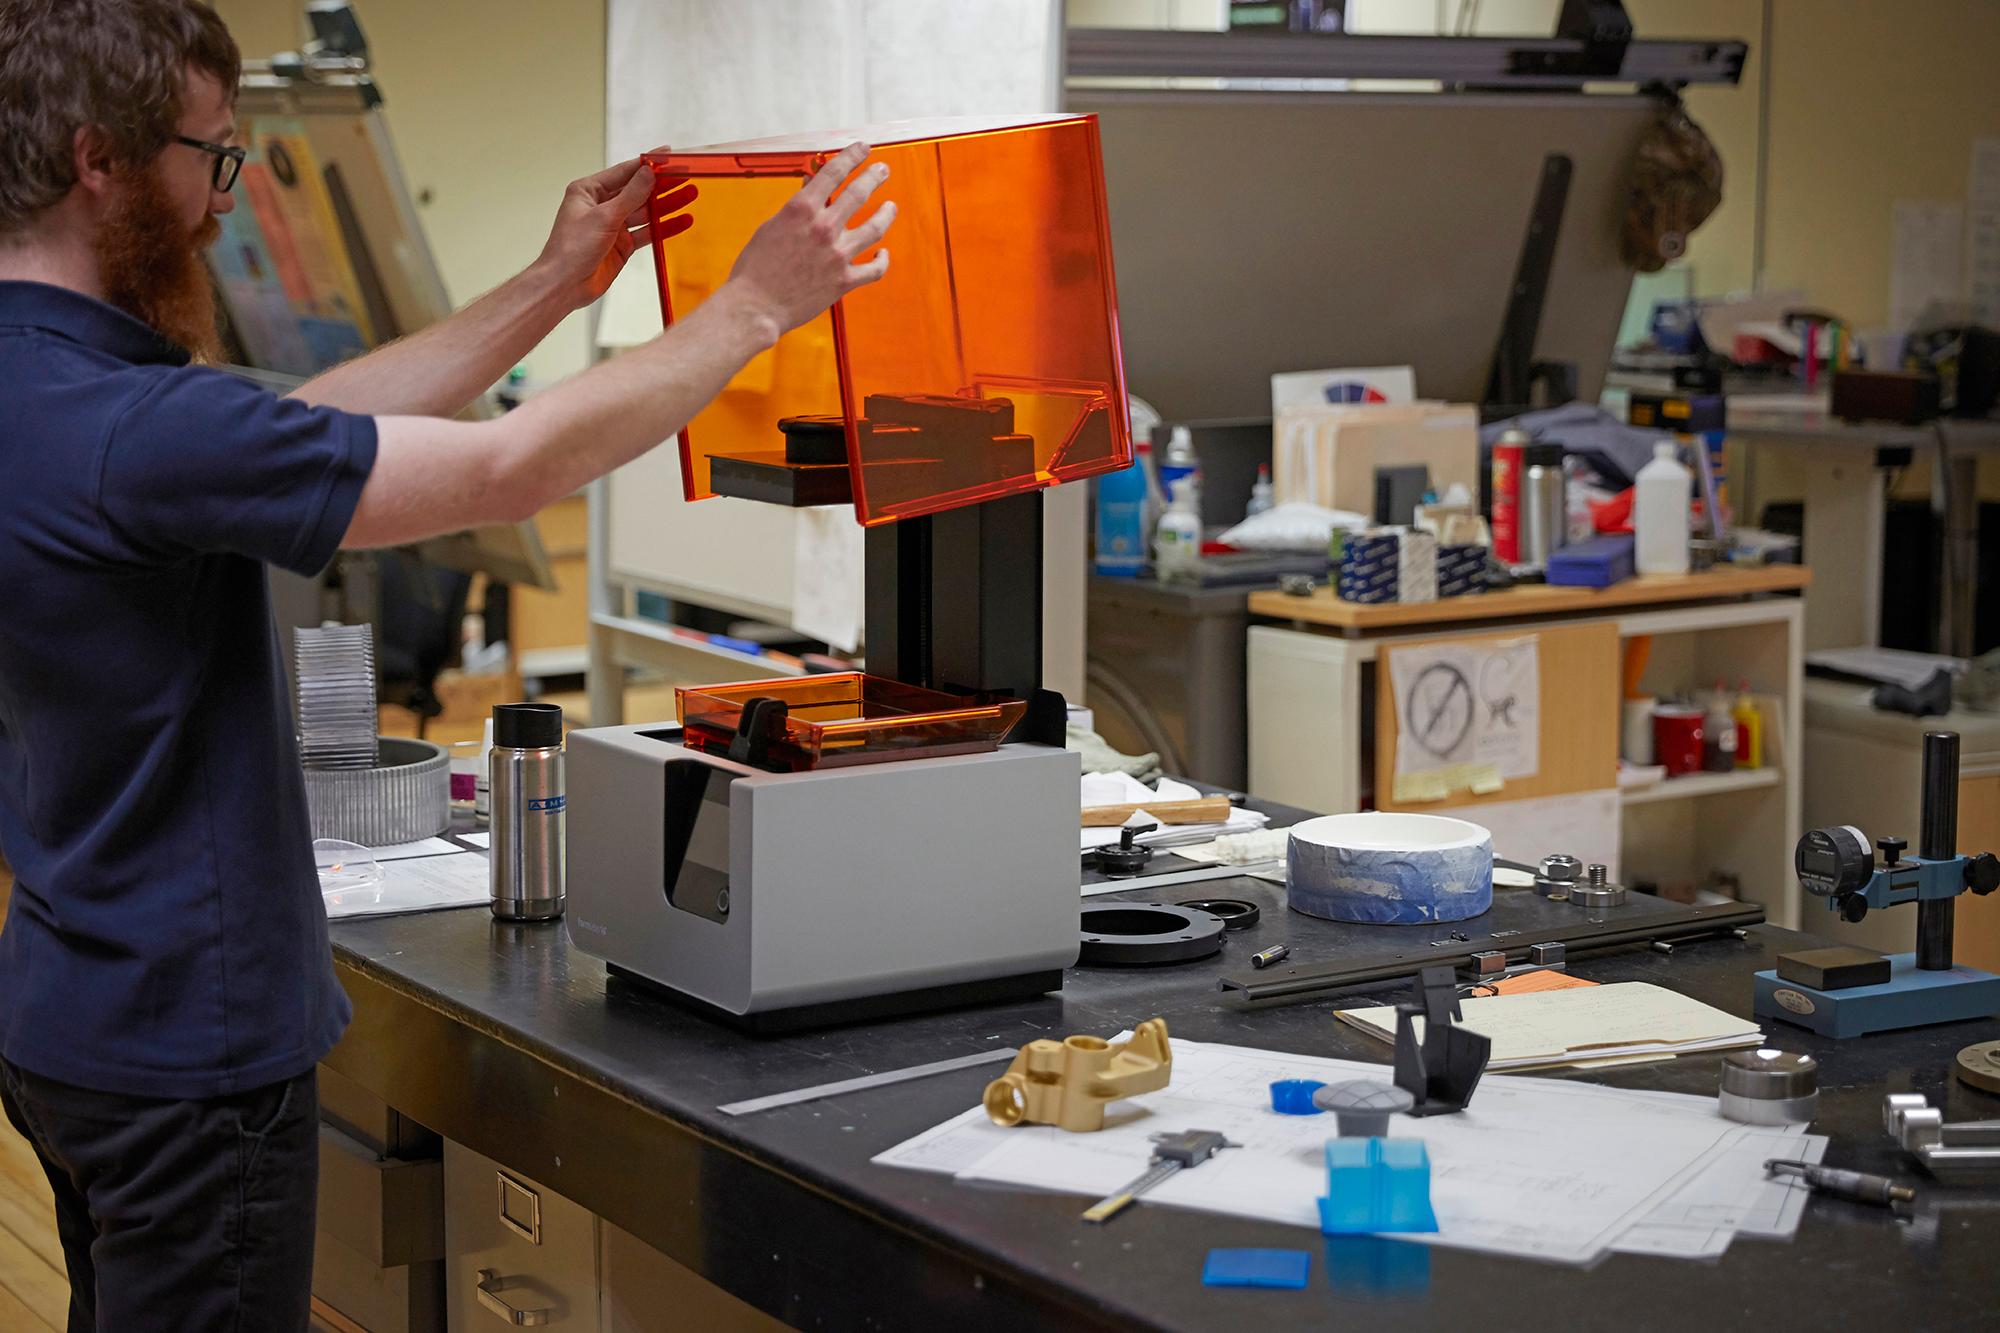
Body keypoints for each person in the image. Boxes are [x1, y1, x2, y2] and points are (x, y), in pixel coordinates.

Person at [0, 2, 896, 1328]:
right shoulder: (132, 426)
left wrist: (553, 285)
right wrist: (755, 304)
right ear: (99, 160)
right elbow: (504, 467)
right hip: (191, 1046)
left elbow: (301, 426)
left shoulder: (51, 394)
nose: (221, 201)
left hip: (68, 1010)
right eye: (211, 155)